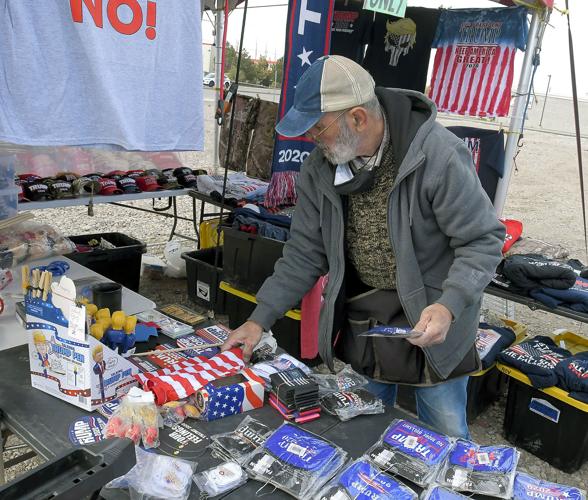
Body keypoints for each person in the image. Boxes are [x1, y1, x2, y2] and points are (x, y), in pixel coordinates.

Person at [222, 55, 504, 438]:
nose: (311, 140)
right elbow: (305, 251)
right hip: (368, 317)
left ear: (357, 118)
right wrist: (260, 319)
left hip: (434, 311)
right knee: (365, 427)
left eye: (318, 129)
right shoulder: (319, 168)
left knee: (445, 432)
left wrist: (449, 305)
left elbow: (483, 239)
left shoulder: (438, 155)